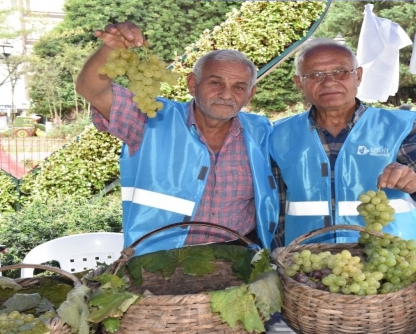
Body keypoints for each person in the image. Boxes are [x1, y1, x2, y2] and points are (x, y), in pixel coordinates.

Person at [75, 21, 278, 255]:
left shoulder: (261, 132)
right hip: (160, 256)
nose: (226, 95)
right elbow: (91, 90)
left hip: (239, 254)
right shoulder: (150, 119)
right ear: (193, 84)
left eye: (239, 87)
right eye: (215, 83)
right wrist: (110, 49)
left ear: (250, 94)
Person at [267, 38, 416, 248]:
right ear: (299, 82)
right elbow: (273, 209)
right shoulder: (278, 134)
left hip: (387, 263)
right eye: (315, 75)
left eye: (341, 72)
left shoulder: (399, 126)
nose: (329, 82)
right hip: (306, 265)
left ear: (358, 75)